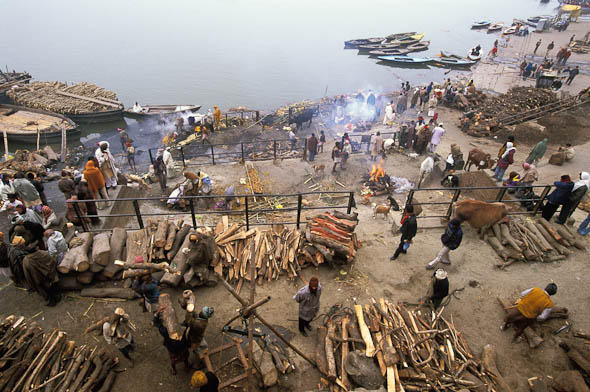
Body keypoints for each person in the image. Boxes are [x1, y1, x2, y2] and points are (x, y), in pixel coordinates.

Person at [153, 306, 190, 375]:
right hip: (183, 348)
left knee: (173, 360)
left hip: (173, 350)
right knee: (185, 357)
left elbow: (156, 323)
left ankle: (174, 369)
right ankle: (187, 366)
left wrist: (157, 312)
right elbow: (187, 321)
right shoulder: (182, 327)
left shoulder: (165, 332)